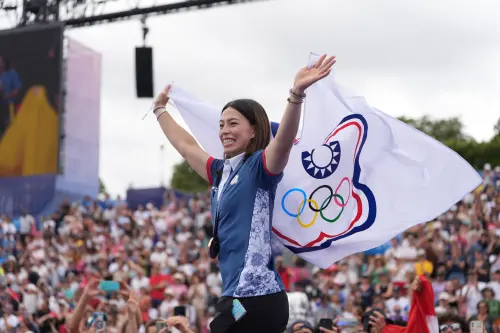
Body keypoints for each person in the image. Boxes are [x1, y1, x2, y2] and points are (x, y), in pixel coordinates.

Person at [152, 54, 336, 333]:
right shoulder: (219, 172)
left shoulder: (260, 168)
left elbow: (284, 142)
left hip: (258, 296)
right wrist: (159, 111)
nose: (225, 130)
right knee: (222, 321)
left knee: (221, 326)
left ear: (253, 131)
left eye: (233, 123)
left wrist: (296, 95)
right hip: (237, 299)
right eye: (222, 124)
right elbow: (185, 146)